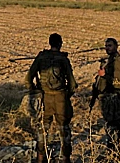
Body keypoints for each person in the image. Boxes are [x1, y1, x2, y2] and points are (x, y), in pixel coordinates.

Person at [25, 33, 77, 163]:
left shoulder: (41, 57)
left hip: (44, 97)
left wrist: (35, 91)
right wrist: (66, 96)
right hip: (61, 98)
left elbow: (28, 78)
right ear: (60, 44)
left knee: (42, 128)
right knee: (63, 128)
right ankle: (65, 158)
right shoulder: (63, 59)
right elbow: (72, 84)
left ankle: (40, 157)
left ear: (49, 43)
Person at [90, 38, 120, 141]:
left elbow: (118, 82)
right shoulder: (110, 60)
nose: (107, 48)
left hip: (113, 97)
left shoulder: (118, 61)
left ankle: (115, 148)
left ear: (115, 46)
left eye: (109, 46)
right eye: (106, 46)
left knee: (114, 125)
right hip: (107, 96)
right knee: (110, 125)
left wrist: (105, 75)